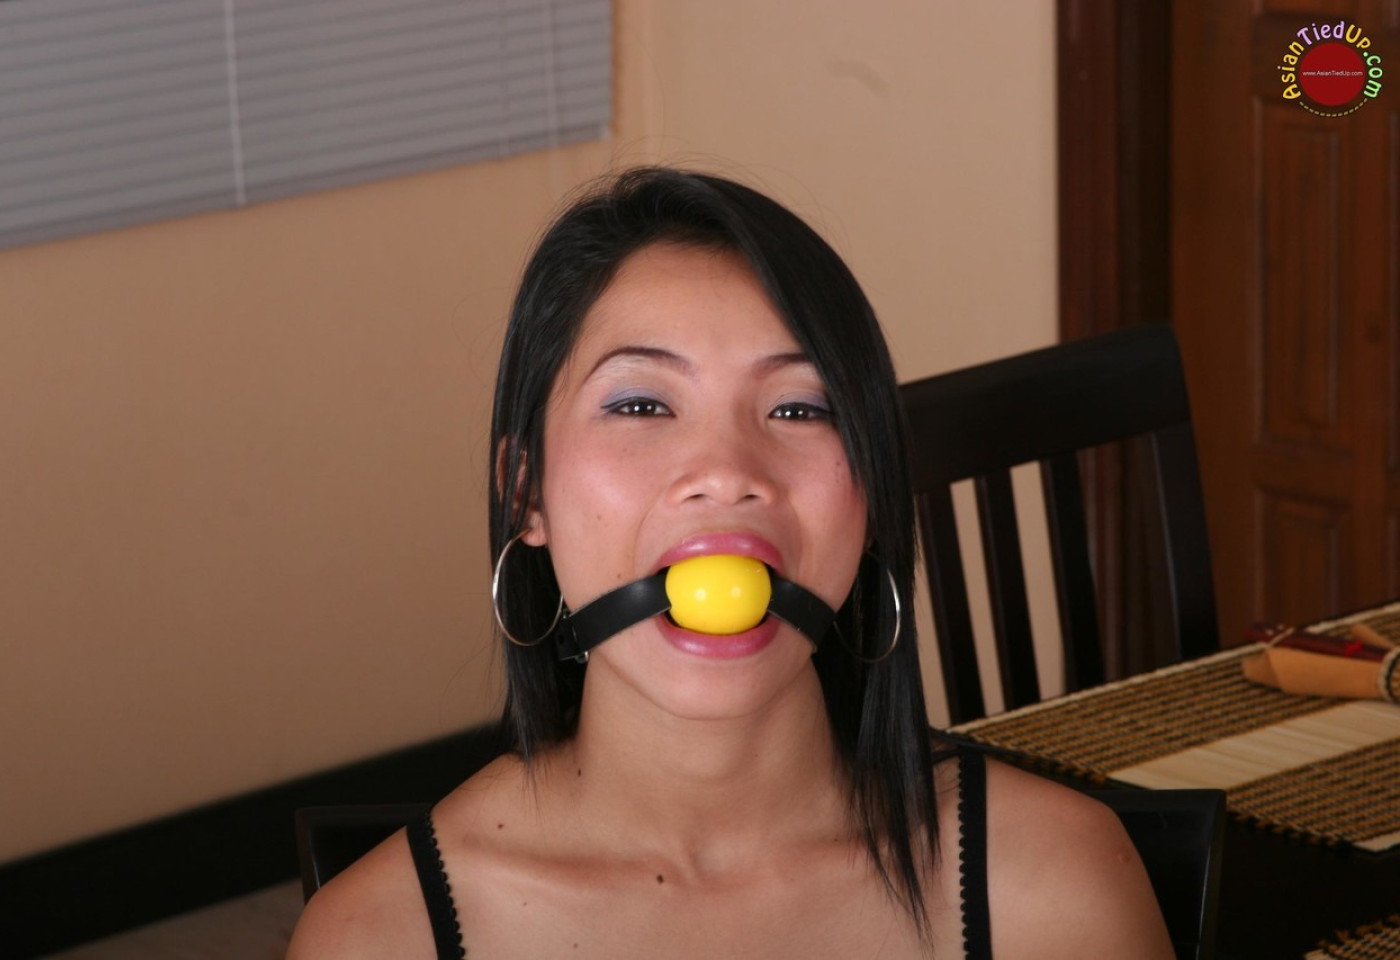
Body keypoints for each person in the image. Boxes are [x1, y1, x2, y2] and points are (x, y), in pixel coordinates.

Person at [287, 168, 1174, 959]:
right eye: (641, 404)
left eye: (799, 409)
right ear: (526, 491)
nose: (726, 472)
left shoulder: (1055, 885)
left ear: (873, 497)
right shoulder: (373, 939)